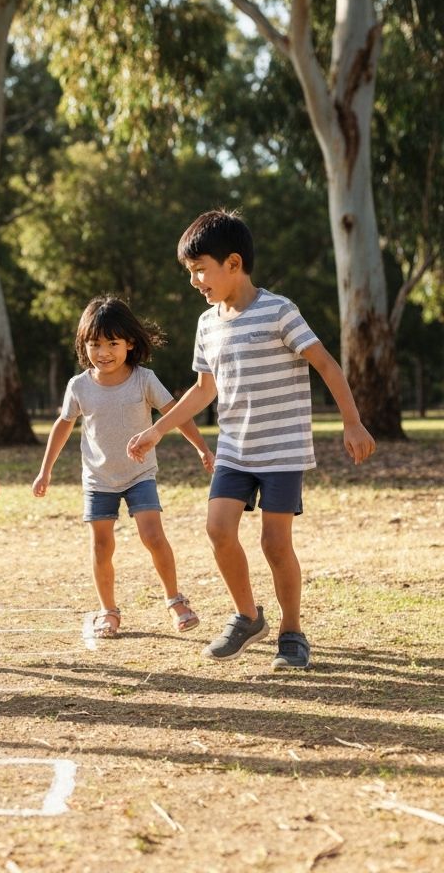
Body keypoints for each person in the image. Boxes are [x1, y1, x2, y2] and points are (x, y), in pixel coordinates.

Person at [128, 209, 376, 671]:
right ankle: (247, 615)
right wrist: (158, 430)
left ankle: (292, 631)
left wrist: (352, 422)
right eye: (190, 271)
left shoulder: (279, 310)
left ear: (234, 264)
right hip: (236, 450)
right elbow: (204, 389)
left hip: (281, 449)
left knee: (275, 544)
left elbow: (325, 363)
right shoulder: (207, 324)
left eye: (200, 269)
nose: (195, 280)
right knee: (218, 529)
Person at [32, 297, 214, 640]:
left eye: (112, 343)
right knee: (102, 546)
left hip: (138, 474)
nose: (104, 352)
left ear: (130, 343)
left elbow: (175, 414)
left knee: (152, 536)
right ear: (84, 345)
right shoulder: (80, 385)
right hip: (98, 479)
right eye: (95, 344)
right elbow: (63, 425)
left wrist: (203, 448)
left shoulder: (144, 380)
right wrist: (46, 471)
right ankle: (109, 611)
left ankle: (175, 600)